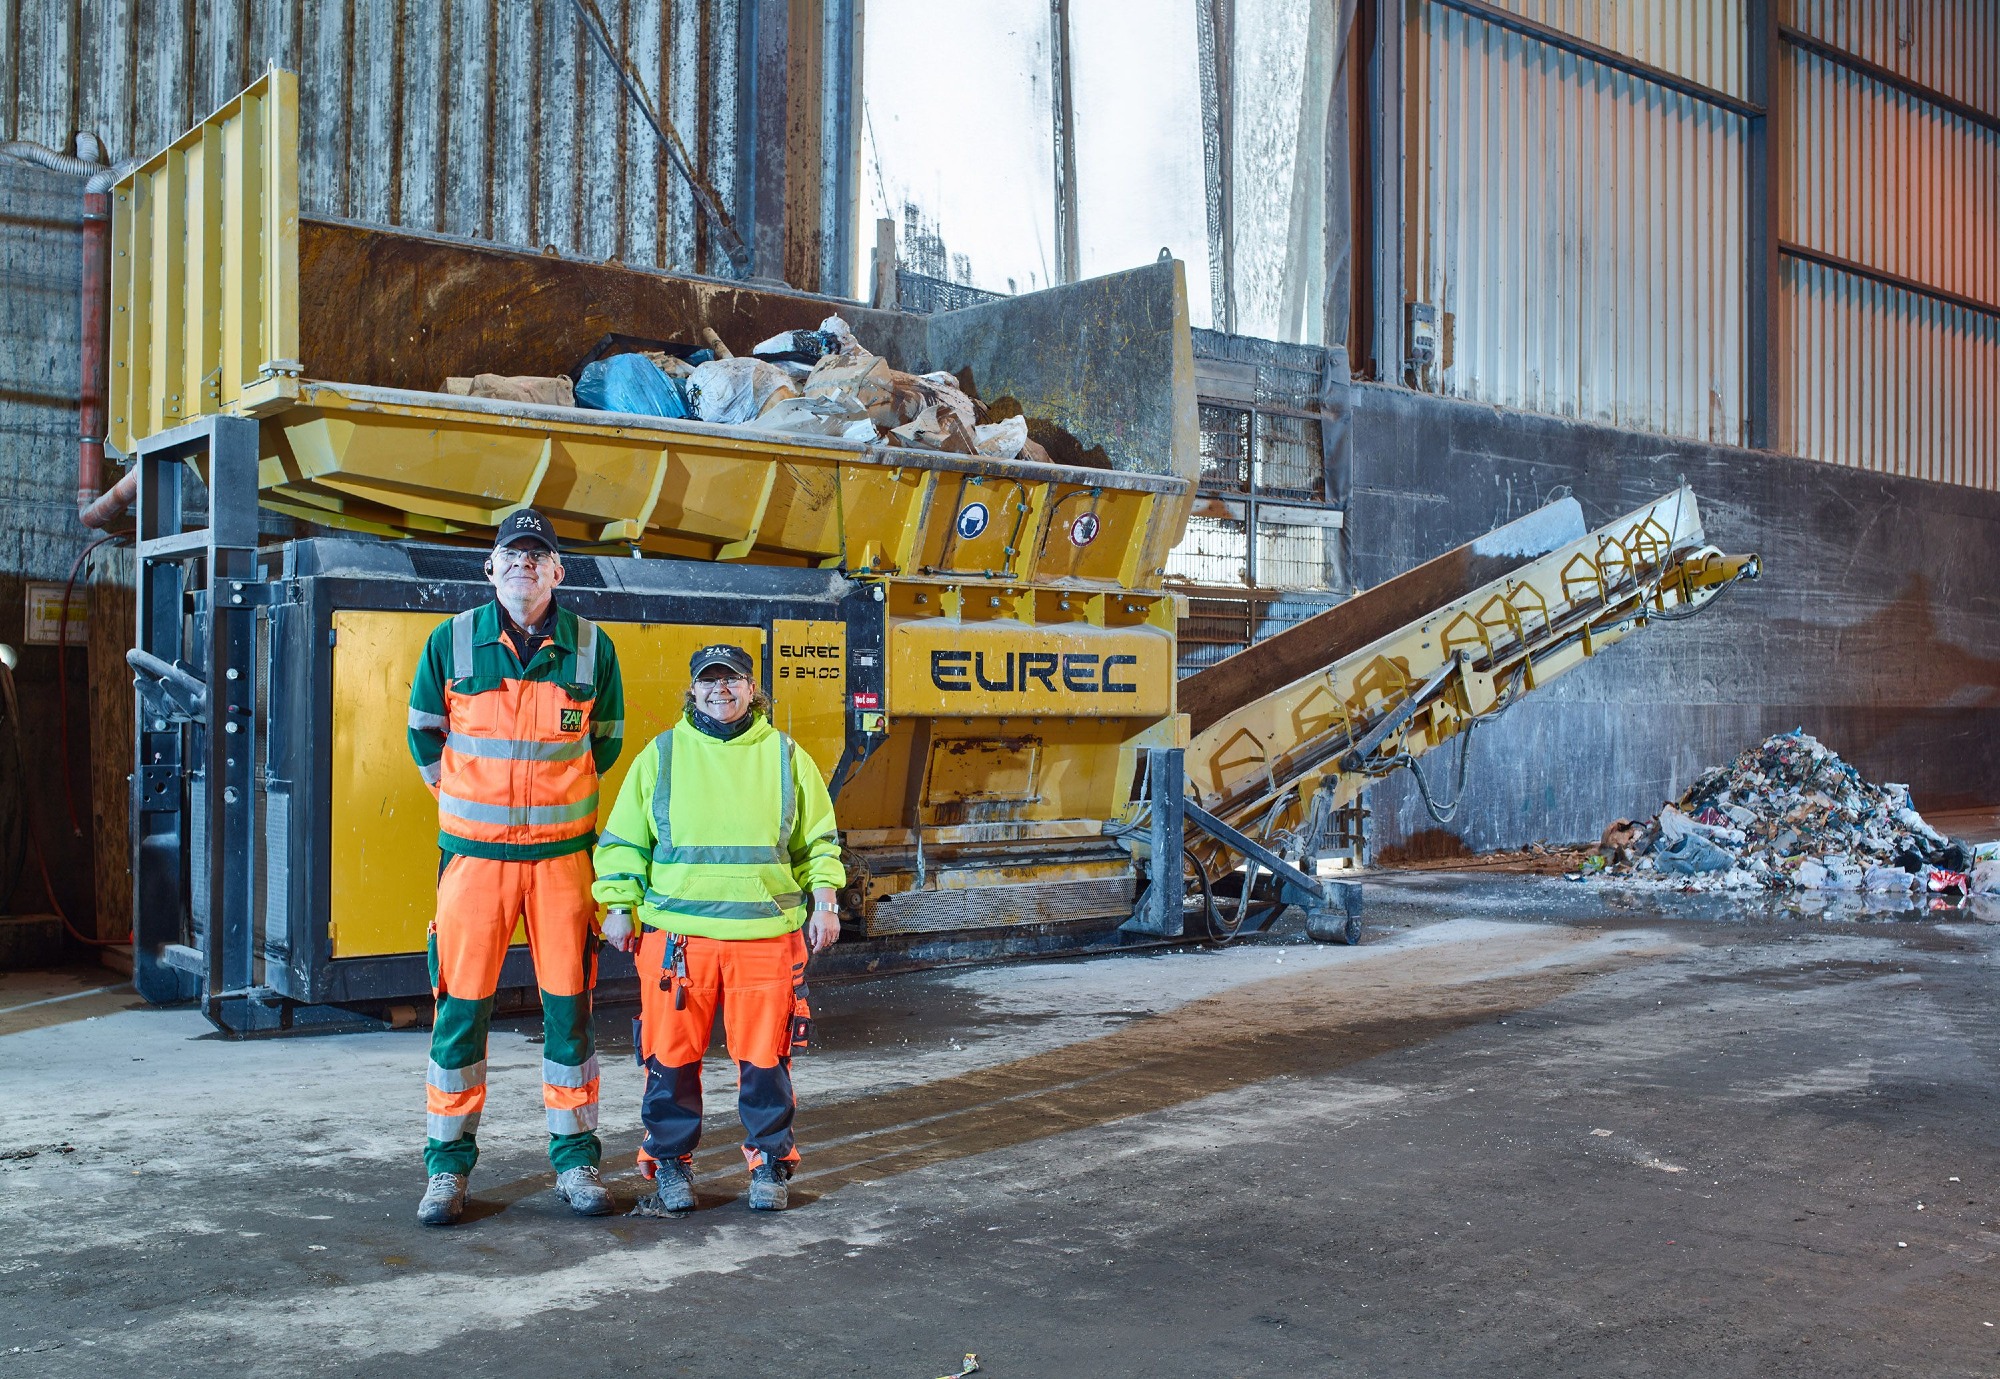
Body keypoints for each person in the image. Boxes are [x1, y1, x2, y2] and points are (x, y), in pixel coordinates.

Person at [405, 508, 625, 1226]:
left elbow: (608, 740)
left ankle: (576, 1160)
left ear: (559, 571)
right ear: (489, 568)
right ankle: (446, 1171)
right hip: (474, 865)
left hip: (563, 866)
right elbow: (422, 733)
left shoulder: (593, 649)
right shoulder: (451, 642)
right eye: (512, 553)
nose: (524, 563)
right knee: (459, 1016)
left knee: (571, 1017)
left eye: (539, 554)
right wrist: (467, 799)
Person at [593, 643, 844, 1214]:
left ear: (752, 689)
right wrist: (616, 904)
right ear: (693, 689)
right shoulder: (663, 755)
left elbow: (819, 840)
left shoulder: (784, 755)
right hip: (678, 940)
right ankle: (671, 1167)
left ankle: (770, 1168)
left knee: (764, 1062)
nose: (720, 690)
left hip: (765, 937)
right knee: (671, 1060)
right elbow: (625, 841)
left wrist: (826, 902)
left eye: (732, 681)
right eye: (709, 681)